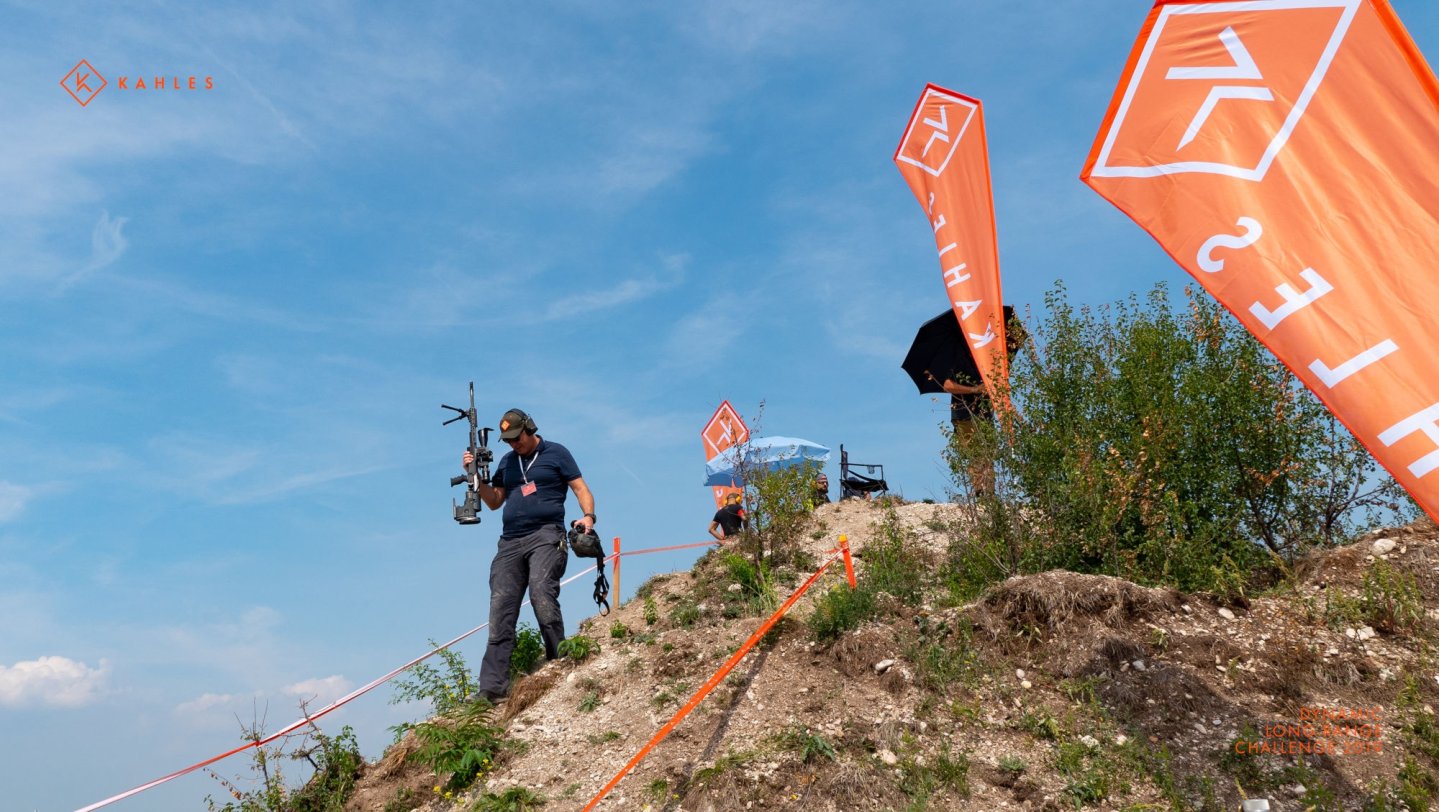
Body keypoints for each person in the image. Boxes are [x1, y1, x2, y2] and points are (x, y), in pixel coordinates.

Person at [461, 407, 595, 703]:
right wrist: (477, 481)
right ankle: (493, 689)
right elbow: (496, 501)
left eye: (516, 437)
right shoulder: (508, 463)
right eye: (507, 441)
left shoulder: (556, 453)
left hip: (546, 535)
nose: (513, 444)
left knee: (541, 592)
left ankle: (559, 660)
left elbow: (580, 487)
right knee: (501, 609)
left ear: (529, 428)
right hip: (510, 542)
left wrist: (588, 516)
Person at [944, 306, 1026, 496]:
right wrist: (975, 389)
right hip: (963, 412)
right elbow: (947, 384)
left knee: (987, 451)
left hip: (985, 412)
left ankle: (987, 492)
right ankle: (980, 490)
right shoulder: (957, 356)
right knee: (976, 452)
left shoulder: (990, 356)